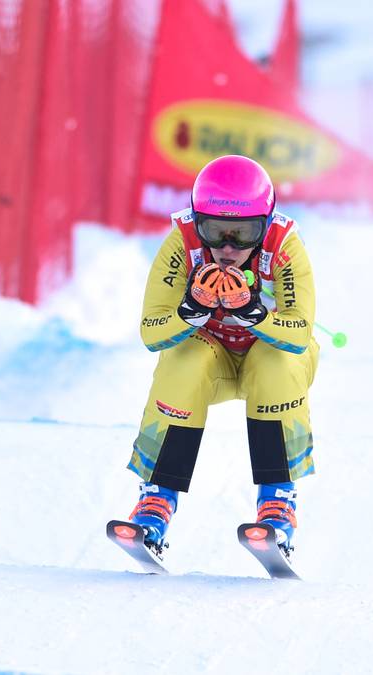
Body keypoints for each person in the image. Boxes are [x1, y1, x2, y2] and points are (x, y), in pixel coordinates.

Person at [122, 154, 318, 559]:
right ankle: (157, 499)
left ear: (264, 226)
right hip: (213, 356)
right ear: (197, 222)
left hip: (270, 354)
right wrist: (189, 311)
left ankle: (278, 502)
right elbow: (151, 333)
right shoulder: (183, 242)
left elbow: (299, 335)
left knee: (275, 362)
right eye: (215, 231)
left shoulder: (285, 246)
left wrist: (255, 315)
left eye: (243, 234)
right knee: (182, 360)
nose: (228, 248)